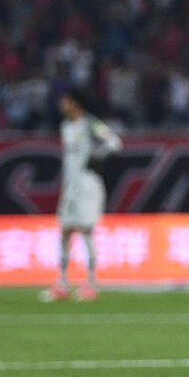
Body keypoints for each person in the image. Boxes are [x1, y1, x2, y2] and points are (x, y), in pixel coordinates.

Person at [46, 90, 123, 301]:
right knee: (65, 231)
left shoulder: (91, 124)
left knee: (87, 231)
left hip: (88, 185)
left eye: (66, 101)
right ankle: (62, 282)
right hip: (70, 186)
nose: (62, 104)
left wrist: (96, 157)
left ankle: (91, 282)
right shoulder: (66, 127)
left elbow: (115, 142)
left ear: (75, 104)